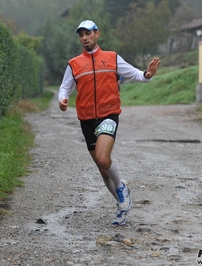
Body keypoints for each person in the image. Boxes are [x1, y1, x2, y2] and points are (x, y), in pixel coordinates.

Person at [58, 20, 161, 226]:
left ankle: (122, 188)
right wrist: (62, 99)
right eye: (81, 35)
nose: (84, 38)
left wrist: (147, 74)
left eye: (88, 33)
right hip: (87, 120)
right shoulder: (74, 64)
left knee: (103, 158)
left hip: (108, 115)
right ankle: (122, 207)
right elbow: (64, 88)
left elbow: (134, 73)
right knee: (102, 169)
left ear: (97, 34)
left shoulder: (111, 58)